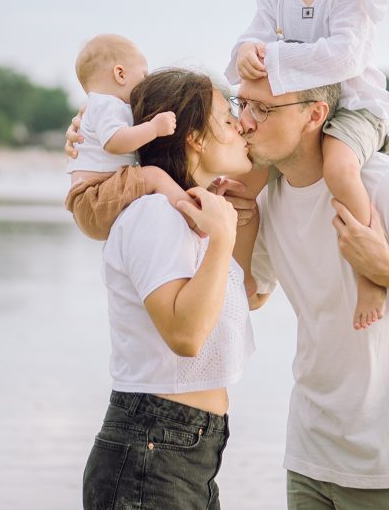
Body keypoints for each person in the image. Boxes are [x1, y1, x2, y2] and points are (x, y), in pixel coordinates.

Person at [234, 74, 389, 509]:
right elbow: (251, 297)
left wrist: (386, 270)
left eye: (263, 108)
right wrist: (233, 222)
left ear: (314, 114)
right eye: (242, 104)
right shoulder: (268, 198)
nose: (245, 122)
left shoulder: (388, 188)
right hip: (310, 457)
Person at [79, 68, 258, 510]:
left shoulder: (190, 212)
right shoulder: (155, 214)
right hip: (152, 448)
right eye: (228, 118)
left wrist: (236, 221)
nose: (241, 126)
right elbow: (186, 336)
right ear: (194, 136)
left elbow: (250, 298)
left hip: (185, 449)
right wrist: (223, 239)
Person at [226, 0, 389, 330]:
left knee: (341, 168)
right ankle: (242, 280)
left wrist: (275, 59)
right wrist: (247, 54)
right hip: (295, 115)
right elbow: (253, 36)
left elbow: (344, 57)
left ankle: (370, 274)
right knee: (242, 183)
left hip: (353, 109)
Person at [65, 33, 190, 240]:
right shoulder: (105, 104)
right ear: (120, 74)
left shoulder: (105, 107)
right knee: (153, 176)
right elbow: (115, 142)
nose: (146, 83)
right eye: (143, 76)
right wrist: (154, 128)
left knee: (149, 179)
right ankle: (193, 216)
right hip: (94, 197)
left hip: (98, 198)